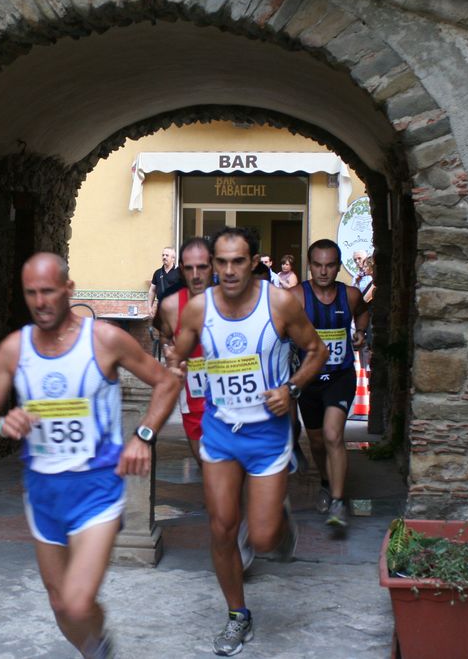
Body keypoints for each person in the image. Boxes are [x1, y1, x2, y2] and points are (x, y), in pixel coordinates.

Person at [0, 252, 180, 658]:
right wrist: (1, 423)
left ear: (68, 289)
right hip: (43, 492)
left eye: (48, 291)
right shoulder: (14, 349)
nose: (40, 302)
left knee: (78, 602)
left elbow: (166, 383)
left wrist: (143, 436)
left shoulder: (104, 340)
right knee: (61, 605)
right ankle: (99, 648)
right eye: (31, 293)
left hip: (97, 488)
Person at [171, 228, 329, 656]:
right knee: (222, 528)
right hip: (221, 432)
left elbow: (316, 351)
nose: (228, 270)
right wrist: (173, 364)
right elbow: (178, 357)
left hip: (268, 434)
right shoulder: (198, 309)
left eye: (237, 261)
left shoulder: (279, 303)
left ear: (254, 262)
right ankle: (237, 615)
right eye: (220, 262)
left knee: (261, 538)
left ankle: (278, 520)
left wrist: (291, 389)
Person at [289, 239, 369, 530]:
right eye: (318, 265)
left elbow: (363, 311)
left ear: (338, 266)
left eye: (330, 265)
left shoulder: (350, 295)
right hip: (308, 380)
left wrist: (360, 331)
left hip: (340, 376)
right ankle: (326, 482)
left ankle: (337, 501)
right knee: (317, 442)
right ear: (310, 265)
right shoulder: (296, 296)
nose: (323, 272)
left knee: (333, 435)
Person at [156, 237, 213, 467]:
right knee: (205, 464)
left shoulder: (230, 300)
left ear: (213, 265)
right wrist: (169, 352)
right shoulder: (170, 305)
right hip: (192, 394)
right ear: (181, 268)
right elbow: (164, 335)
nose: (196, 275)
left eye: (202, 267)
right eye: (189, 268)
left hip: (229, 398)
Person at [148, 246, 181, 318]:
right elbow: (152, 290)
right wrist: (150, 307)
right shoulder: (157, 273)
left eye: (167, 255)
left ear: (173, 258)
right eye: (163, 255)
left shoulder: (180, 272)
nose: (164, 257)